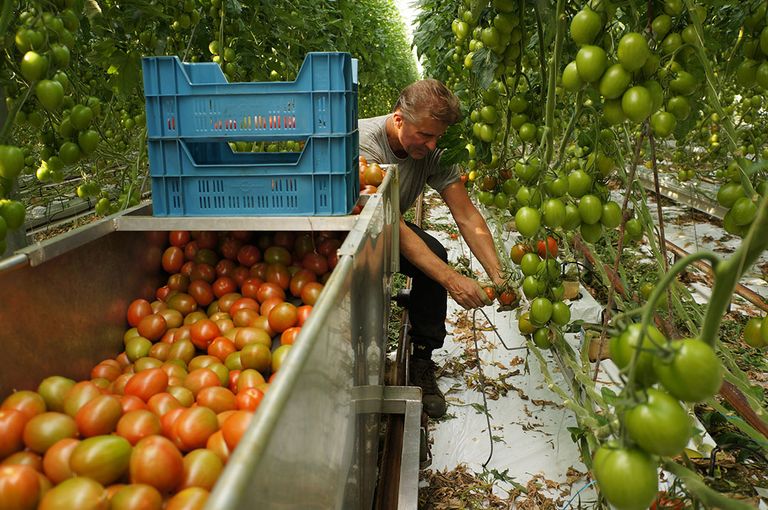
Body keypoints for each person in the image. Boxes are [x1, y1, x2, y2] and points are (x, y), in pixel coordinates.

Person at [359, 79, 506, 419]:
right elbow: (391, 227)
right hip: (352, 234)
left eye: (438, 136)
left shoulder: (433, 150)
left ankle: (422, 359)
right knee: (435, 268)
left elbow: (466, 215)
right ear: (399, 119)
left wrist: (499, 274)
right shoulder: (367, 146)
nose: (432, 144)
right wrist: (453, 281)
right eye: (425, 135)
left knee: (434, 256)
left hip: (387, 225)